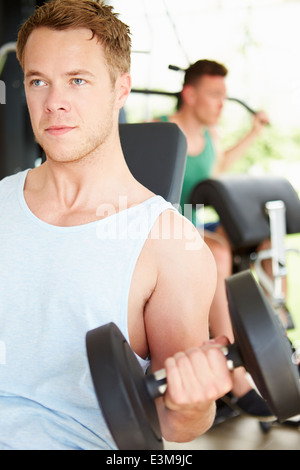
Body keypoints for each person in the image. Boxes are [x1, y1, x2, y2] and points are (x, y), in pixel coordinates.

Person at [0, 0, 237, 450]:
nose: (54, 103)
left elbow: (177, 422)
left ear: (120, 88)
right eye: (38, 81)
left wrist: (192, 404)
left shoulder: (172, 247)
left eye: (77, 80)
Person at [154, 60, 272, 420]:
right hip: (160, 229)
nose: (222, 103)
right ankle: (235, 372)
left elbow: (217, 170)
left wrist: (253, 135)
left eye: (224, 95)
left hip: (193, 226)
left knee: (264, 240)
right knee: (218, 251)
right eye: (214, 95)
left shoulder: (209, 137)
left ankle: (267, 340)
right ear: (189, 94)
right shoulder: (159, 131)